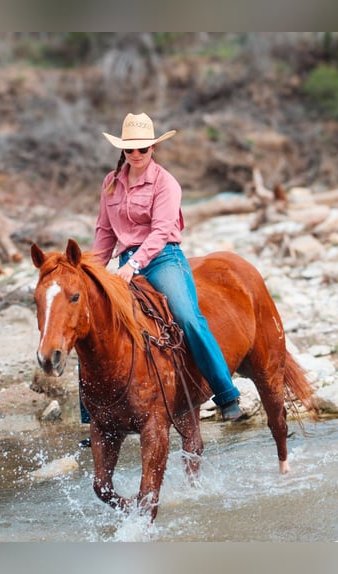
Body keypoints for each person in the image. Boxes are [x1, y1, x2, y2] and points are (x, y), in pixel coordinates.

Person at [78, 112, 243, 445]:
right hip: (125, 261)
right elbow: (104, 230)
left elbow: (160, 231)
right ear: (123, 151)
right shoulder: (110, 182)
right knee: (88, 319)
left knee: (187, 316)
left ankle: (226, 394)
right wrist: (92, 271)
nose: (136, 155)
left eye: (143, 149)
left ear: (153, 148)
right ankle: (94, 415)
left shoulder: (166, 183)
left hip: (162, 258)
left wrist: (133, 265)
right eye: (130, 150)